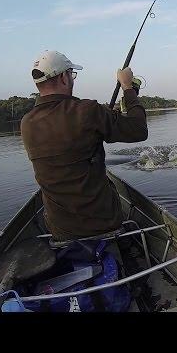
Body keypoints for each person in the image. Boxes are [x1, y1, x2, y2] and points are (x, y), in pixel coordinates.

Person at [20, 50, 148, 241]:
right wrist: (128, 87)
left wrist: (106, 116)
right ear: (63, 77)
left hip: (60, 229)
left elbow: (70, 129)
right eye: (72, 75)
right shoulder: (87, 111)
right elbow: (138, 130)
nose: (72, 79)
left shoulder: (27, 122)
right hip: (102, 223)